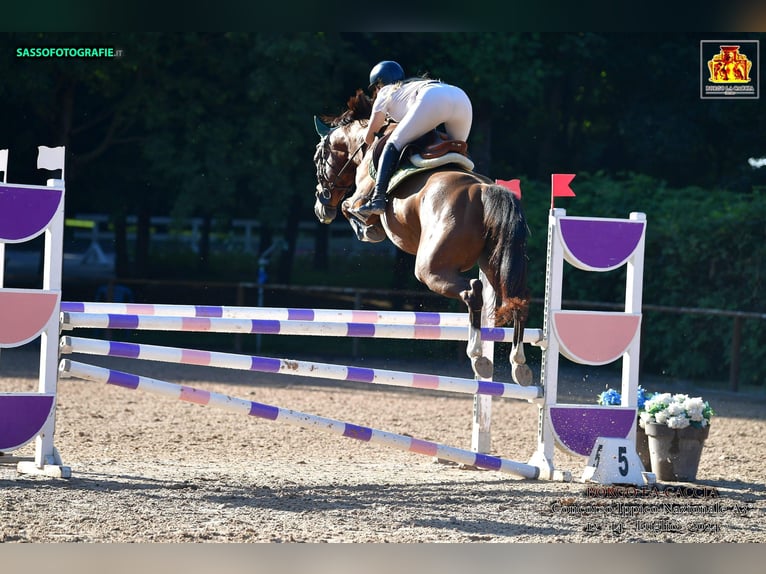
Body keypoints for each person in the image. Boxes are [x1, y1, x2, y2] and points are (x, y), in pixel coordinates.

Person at [356, 60, 474, 217]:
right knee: (456, 152)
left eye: (376, 88)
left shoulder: (385, 92)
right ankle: (471, 187)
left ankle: (377, 199)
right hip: (460, 96)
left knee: (393, 143)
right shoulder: (412, 85)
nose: (376, 91)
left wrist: (365, 134)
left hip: (433, 98)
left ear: (379, 84)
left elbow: (370, 137)